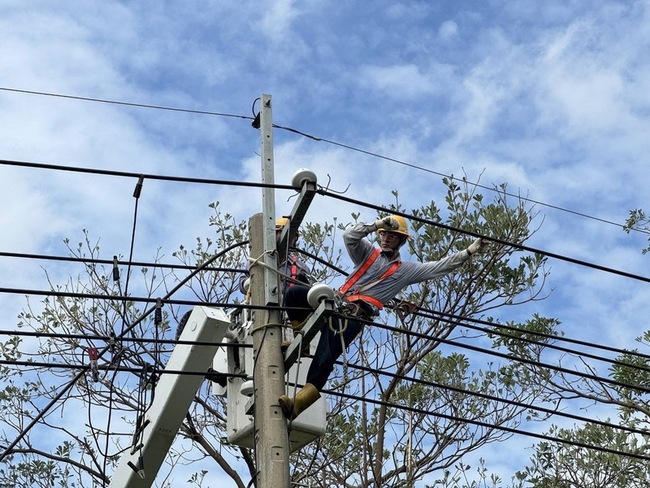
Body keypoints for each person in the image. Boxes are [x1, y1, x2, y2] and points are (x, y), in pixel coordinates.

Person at [279, 214, 484, 420]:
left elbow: (438, 267)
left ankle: (298, 403)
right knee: (294, 294)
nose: (386, 238)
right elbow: (349, 236)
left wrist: (467, 252)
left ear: (401, 241)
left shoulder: (406, 271)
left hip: (353, 316)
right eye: (384, 234)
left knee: (325, 357)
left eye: (392, 236)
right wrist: (375, 224)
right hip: (334, 302)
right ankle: (302, 341)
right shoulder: (368, 253)